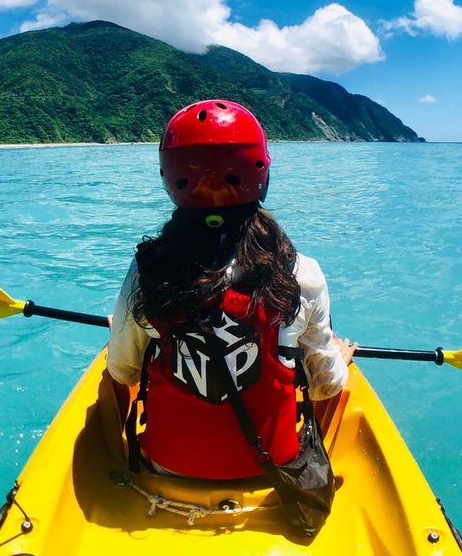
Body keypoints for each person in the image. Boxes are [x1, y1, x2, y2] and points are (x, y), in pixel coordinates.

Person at [107, 99, 356, 480]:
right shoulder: (302, 273)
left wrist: (127, 330)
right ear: (262, 176)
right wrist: (340, 358)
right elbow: (326, 387)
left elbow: (123, 372)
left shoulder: (147, 272)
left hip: (167, 465)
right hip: (274, 471)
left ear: (169, 178)